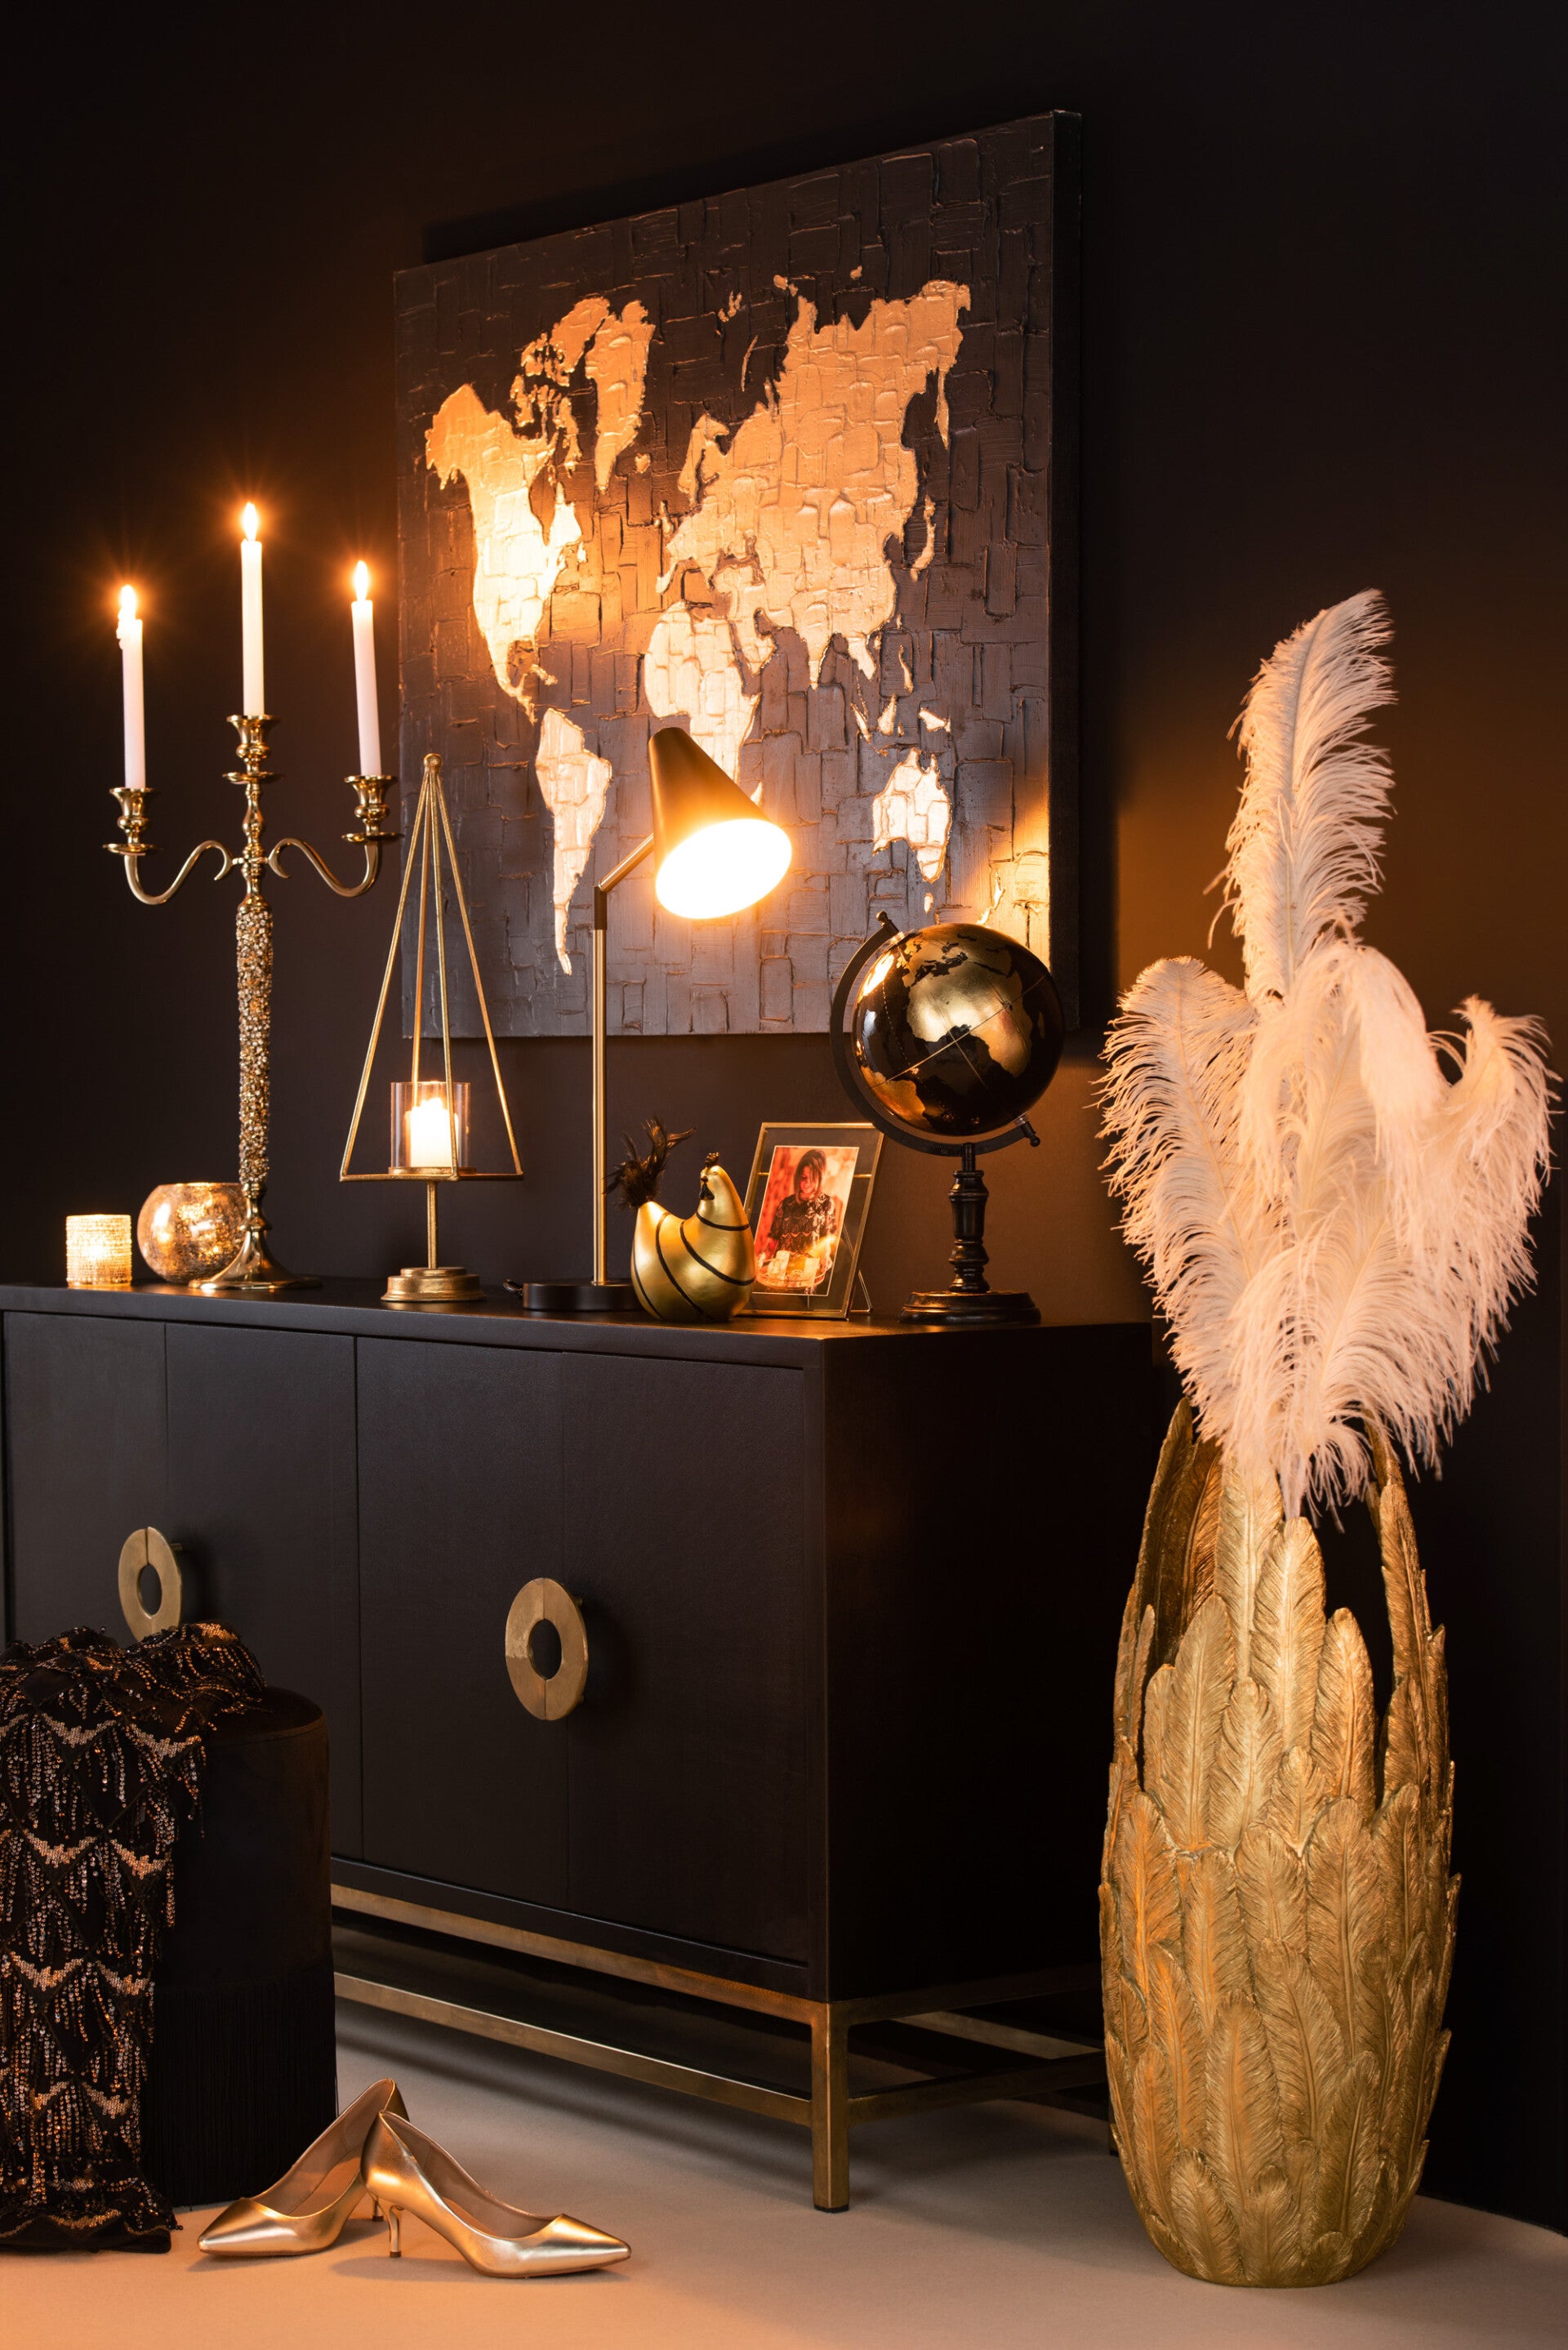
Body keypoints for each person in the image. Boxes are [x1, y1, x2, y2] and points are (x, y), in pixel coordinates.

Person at [760, 1149, 842, 1286]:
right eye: (803, 1178)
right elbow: (773, 1240)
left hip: (806, 1278)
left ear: (819, 1178)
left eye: (812, 1178)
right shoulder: (786, 1204)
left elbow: (827, 1241)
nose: (807, 1183)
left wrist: (826, 1257)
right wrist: (762, 1256)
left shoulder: (827, 1204)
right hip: (780, 1276)